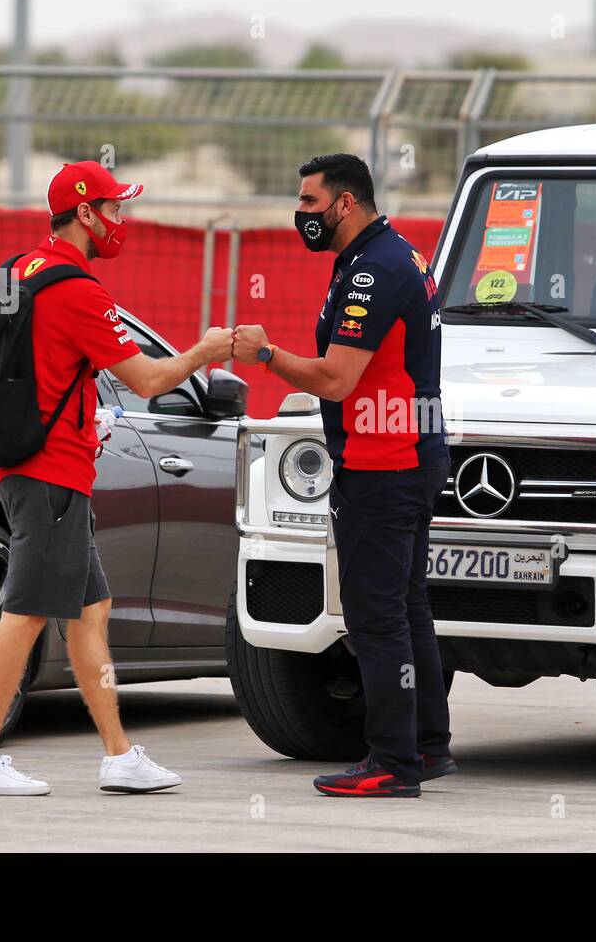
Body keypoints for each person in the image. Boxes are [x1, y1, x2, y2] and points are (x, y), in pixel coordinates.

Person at [0, 160, 234, 796]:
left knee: (90, 608)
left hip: (40, 466)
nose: (121, 222)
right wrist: (205, 353)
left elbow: (43, 369)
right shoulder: (77, 289)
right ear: (85, 214)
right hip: (50, 475)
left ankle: (118, 754)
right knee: (23, 613)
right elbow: (151, 381)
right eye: (115, 210)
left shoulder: (23, 269)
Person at [233, 153, 454, 798]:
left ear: (346, 203)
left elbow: (335, 377)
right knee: (408, 608)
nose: (300, 214)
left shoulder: (373, 272)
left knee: (376, 617)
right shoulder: (390, 255)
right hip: (410, 453)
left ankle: (392, 762)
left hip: (383, 462)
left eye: (308, 201)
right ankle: (426, 745)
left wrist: (266, 354)